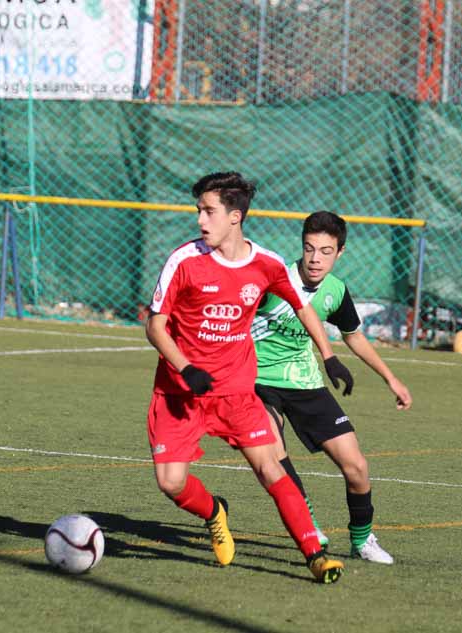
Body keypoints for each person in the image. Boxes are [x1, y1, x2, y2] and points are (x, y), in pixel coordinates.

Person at [145, 173, 357, 584]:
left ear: (235, 217)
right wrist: (186, 368)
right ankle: (214, 513)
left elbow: (302, 306)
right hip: (179, 392)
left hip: (237, 391)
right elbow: (155, 325)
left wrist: (329, 356)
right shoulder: (183, 261)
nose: (200, 220)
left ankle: (315, 555)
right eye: (199, 210)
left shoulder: (266, 264)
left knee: (270, 467)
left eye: (209, 211)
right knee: (171, 483)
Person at [252, 210, 413, 564]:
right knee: (273, 456)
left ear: (340, 253)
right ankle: (306, 522)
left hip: (305, 382)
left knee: (357, 466)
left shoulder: (336, 291)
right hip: (256, 381)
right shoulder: (275, 281)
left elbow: (354, 336)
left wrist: (391, 379)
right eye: (309, 248)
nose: (315, 259)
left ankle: (362, 540)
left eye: (326, 251)